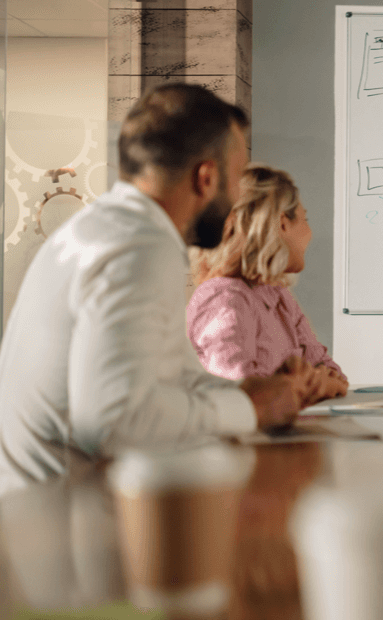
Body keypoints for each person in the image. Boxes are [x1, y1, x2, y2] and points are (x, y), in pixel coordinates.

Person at [0, 83, 318, 493]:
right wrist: (249, 409)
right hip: (63, 514)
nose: (239, 197)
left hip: (49, 504)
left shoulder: (105, 228)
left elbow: (173, 376)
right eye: (237, 179)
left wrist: (250, 390)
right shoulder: (140, 247)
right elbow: (114, 421)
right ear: (206, 178)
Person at [187, 164, 347, 400]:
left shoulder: (278, 294)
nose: (310, 231)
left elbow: (333, 375)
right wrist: (314, 384)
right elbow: (240, 393)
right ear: (283, 223)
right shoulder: (223, 299)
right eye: (305, 219)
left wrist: (309, 383)